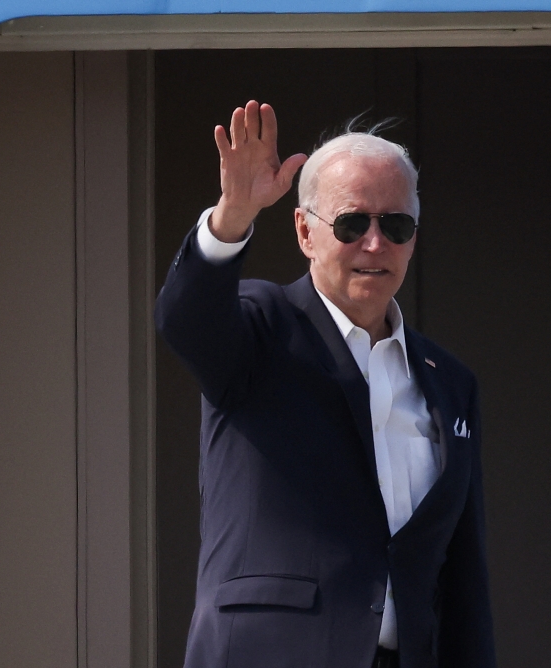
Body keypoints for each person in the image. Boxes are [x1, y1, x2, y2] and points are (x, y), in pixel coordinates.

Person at [155, 100, 495, 668]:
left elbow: (463, 580)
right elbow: (185, 319)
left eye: (396, 226)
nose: (374, 244)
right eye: (352, 223)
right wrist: (233, 215)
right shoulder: (260, 329)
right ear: (304, 232)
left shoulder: (451, 382)